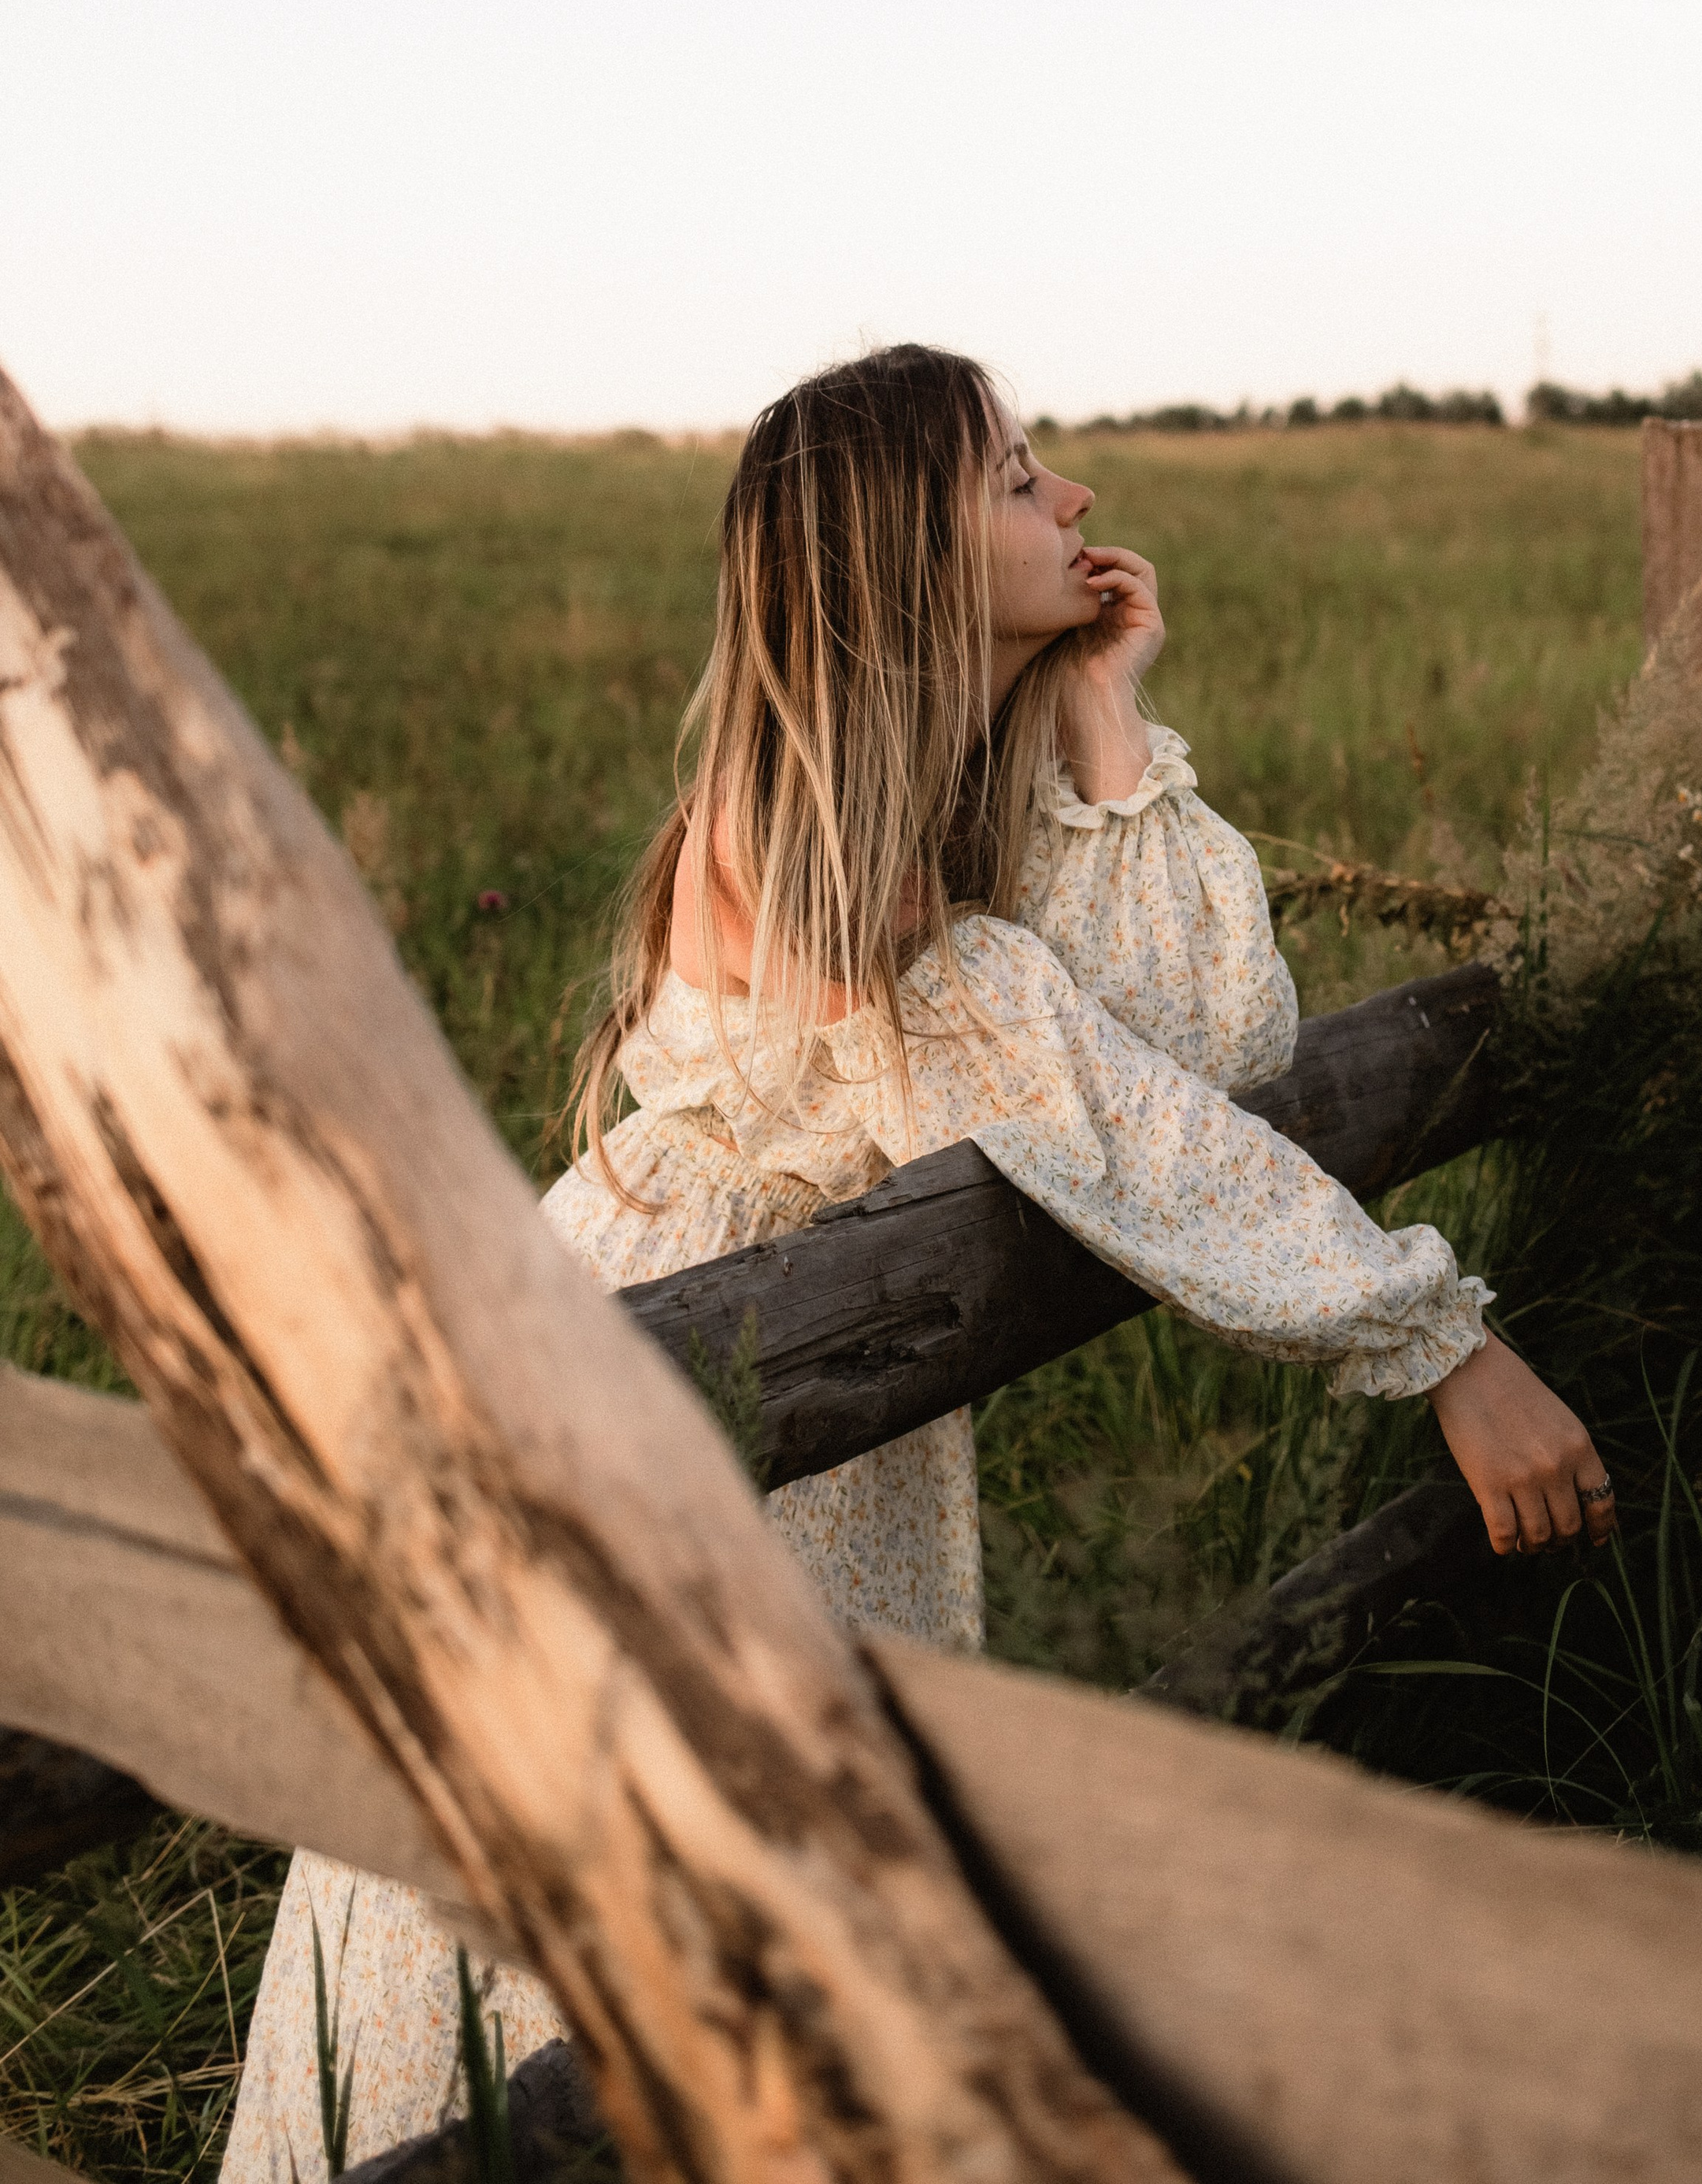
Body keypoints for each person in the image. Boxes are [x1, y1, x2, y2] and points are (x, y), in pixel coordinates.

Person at [221, 342, 1615, 2181]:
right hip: (687, 1359)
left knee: (778, 1893)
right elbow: (1116, 1112)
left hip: (807, 1372)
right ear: (910, 545)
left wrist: (1109, 724)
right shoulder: (805, 839)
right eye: (1022, 476)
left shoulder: (948, 788)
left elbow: (1209, 1050)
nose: (1077, 502)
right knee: (632, 1876)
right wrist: (1439, 1341)